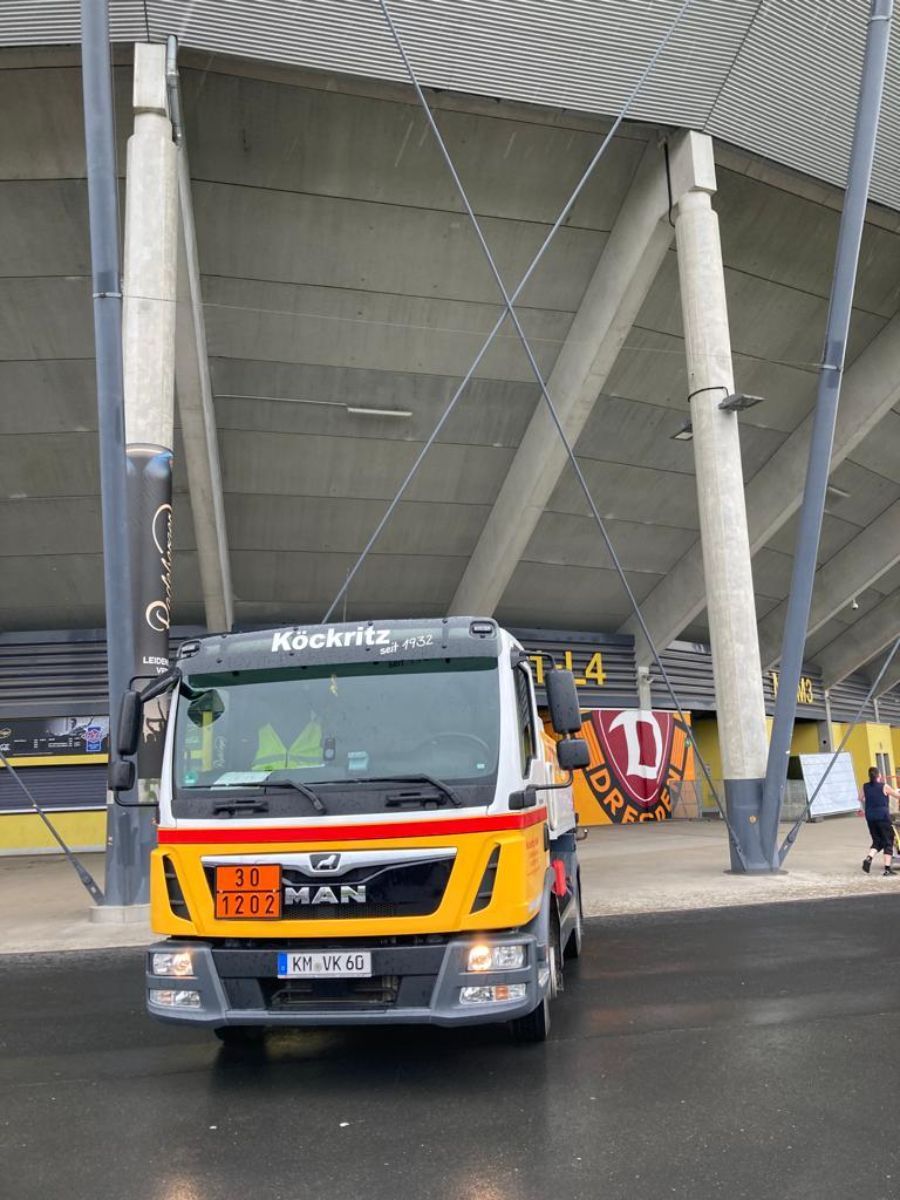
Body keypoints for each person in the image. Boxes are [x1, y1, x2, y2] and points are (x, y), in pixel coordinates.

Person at [860, 767, 900, 876]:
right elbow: (897, 796)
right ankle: (887, 869)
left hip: (870, 818)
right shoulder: (884, 786)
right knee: (888, 840)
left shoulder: (865, 786)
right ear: (879, 775)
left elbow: (860, 798)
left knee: (877, 841)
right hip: (882, 817)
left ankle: (868, 858)